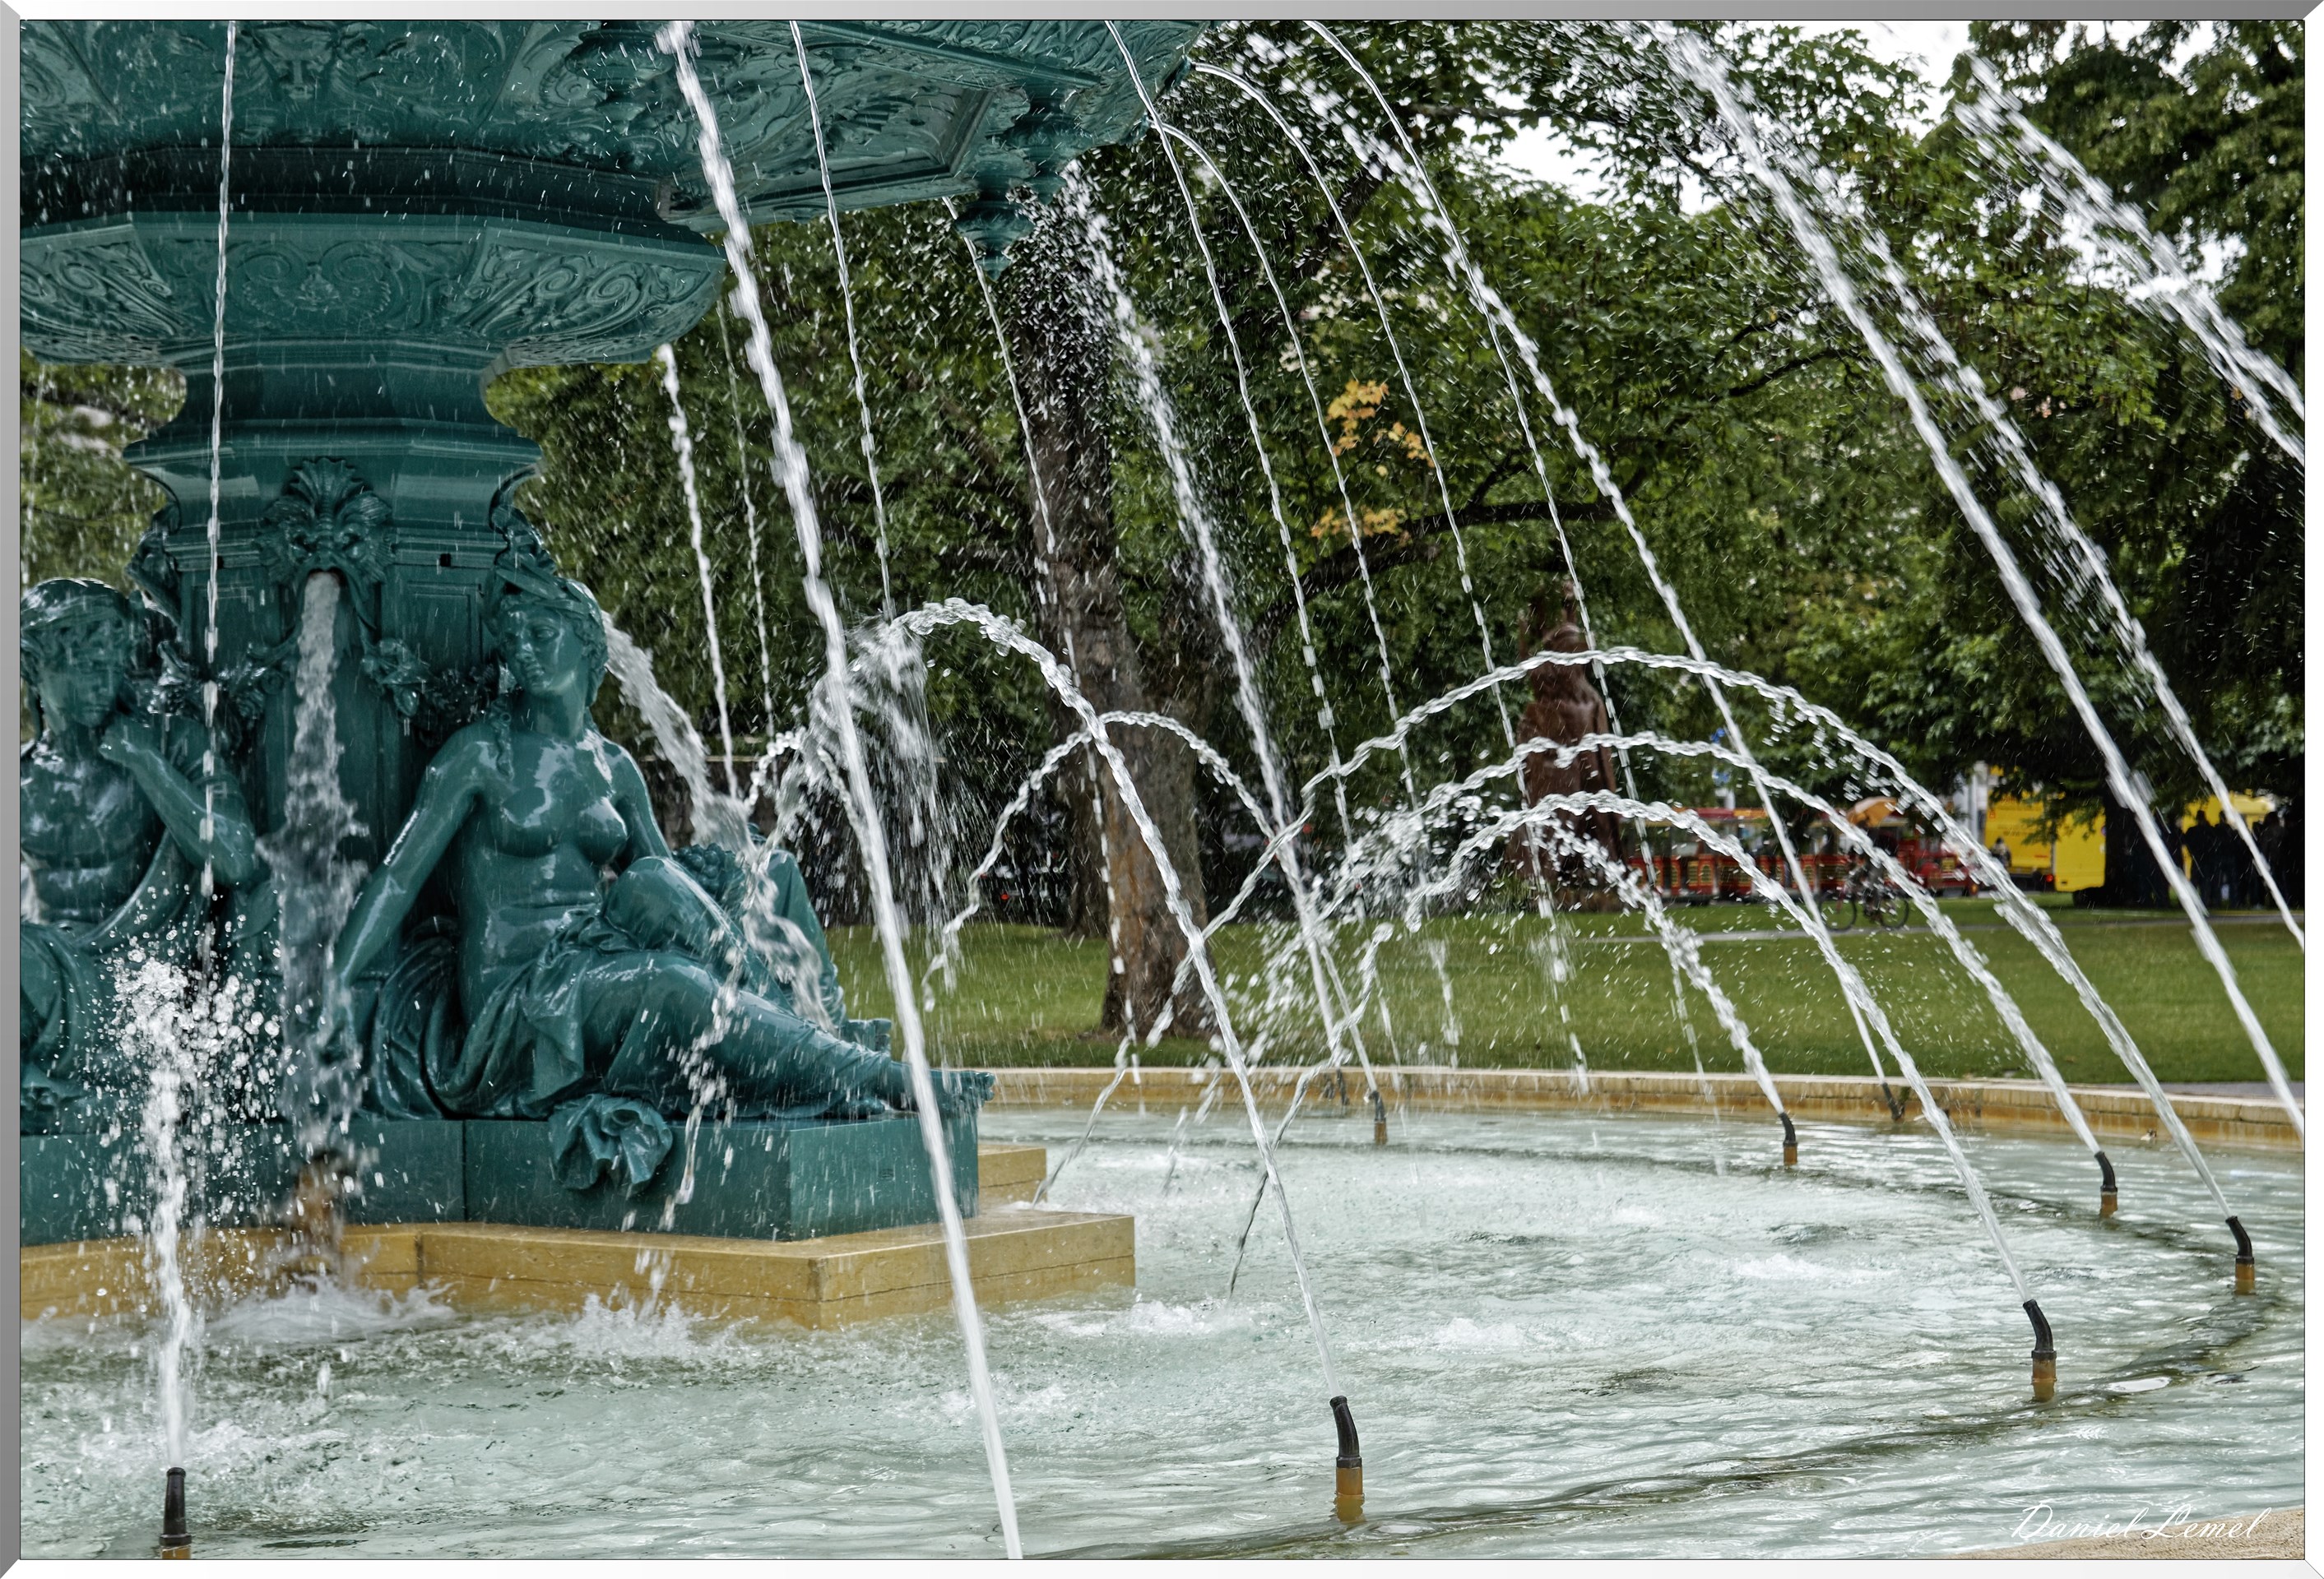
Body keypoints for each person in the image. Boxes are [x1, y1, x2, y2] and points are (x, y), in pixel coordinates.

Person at [332, 531, 985, 1125]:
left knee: (753, 874)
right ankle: (857, 1068)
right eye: (513, 638)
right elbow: (397, 878)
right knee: (674, 983)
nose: (522, 652)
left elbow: (667, 888)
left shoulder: (613, 767)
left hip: (594, 956)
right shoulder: (480, 755)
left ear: (584, 643)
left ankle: (816, 1041)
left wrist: (730, 868)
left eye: (540, 634)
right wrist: (334, 986)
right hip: (524, 996)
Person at [19, 579, 262, 1130]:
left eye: (111, 666)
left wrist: (148, 765)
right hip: (51, 981)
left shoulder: (173, 744)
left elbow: (237, 858)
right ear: (33, 668)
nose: (103, 683)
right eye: (84, 666)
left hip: (147, 986)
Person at [1509, 585, 1621, 884]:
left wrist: (1567, 607)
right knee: (1568, 812)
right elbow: (1532, 668)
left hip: (1588, 769)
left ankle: (1602, 869)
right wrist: (1525, 633)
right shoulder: (1553, 697)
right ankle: (1559, 871)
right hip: (1565, 771)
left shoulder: (1587, 699)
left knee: (1598, 809)